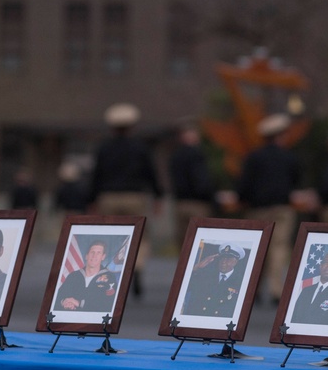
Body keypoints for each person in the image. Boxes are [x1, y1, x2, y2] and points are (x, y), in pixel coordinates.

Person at [90, 103, 162, 297]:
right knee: (140, 236)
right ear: (132, 125)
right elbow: (151, 174)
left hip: (108, 197)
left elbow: (96, 175)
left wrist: (92, 199)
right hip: (135, 196)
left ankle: (111, 276)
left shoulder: (104, 148)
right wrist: (158, 196)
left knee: (110, 237)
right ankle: (136, 268)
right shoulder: (141, 148)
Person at [237, 113, 301, 303]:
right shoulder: (290, 157)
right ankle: (276, 288)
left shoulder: (254, 157)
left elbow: (244, 184)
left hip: (257, 209)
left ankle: (253, 289)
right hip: (282, 208)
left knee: (258, 248)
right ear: (281, 135)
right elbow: (296, 182)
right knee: (279, 247)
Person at [169, 120, 214, 249]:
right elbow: (201, 181)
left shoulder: (175, 156)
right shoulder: (197, 154)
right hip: (198, 203)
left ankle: (183, 268)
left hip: (180, 203)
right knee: (200, 243)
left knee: (183, 243)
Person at [53, 239, 118, 312]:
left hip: (95, 321)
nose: (94, 256)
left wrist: (79, 303)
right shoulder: (73, 276)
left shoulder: (109, 278)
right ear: (86, 256)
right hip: (70, 318)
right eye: (92, 252)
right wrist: (64, 302)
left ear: (103, 257)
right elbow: (58, 297)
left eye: (98, 253)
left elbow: (108, 304)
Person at [182, 243, 246, 317]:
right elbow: (184, 287)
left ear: (235, 262)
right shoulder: (206, 275)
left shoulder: (240, 282)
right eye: (222, 258)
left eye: (228, 259)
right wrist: (196, 268)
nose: (223, 261)